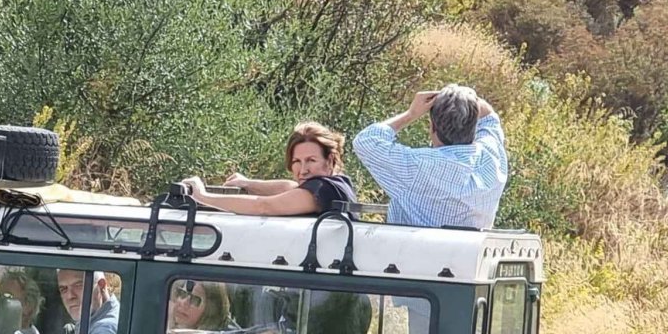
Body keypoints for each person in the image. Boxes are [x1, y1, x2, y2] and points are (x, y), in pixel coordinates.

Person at [352, 85, 507, 230]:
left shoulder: (417, 166)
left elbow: (365, 141)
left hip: (410, 257)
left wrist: (410, 114)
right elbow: (490, 119)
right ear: (473, 125)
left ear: (432, 126)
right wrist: (465, 100)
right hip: (470, 258)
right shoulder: (491, 160)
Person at [179, 122, 358, 217]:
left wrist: (202, 196)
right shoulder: (338, 185)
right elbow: (290, 188)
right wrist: (247, 183)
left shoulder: (324, 188)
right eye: (296, 161)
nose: (303, 170)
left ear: (330, 160)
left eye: (311, 160)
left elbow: (263, 207)